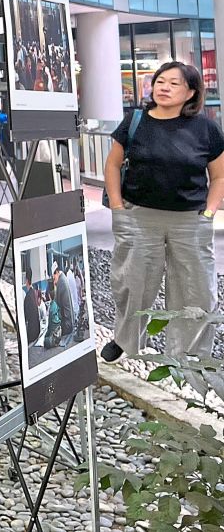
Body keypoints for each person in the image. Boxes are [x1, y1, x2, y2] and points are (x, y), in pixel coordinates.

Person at [102, 60, 224, 363]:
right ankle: (126, 339)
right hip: (140, 216)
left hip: (189, 220)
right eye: (160, 81)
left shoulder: (205, 128)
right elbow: (113, 165)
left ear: (190, 92)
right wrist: (118, 208)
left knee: (195, 289)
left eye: (174, 83)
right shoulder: (135, 121)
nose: (164, 87)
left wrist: (209, 214)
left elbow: (219, 176)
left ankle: (190, 354)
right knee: (132, 282)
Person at [52, 265, 75, 345]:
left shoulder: (61, 282)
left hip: (67, 325)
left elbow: (56, 305)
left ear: (57, 273)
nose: (54, 281)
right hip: (70, 321)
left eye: (54, 278)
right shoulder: (63, 278)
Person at [22, 270, 40, 343]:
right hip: (37, 329)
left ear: (26, 281)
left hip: (32, 332)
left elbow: (25, 316)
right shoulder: (34, 293)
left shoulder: (28, 297)